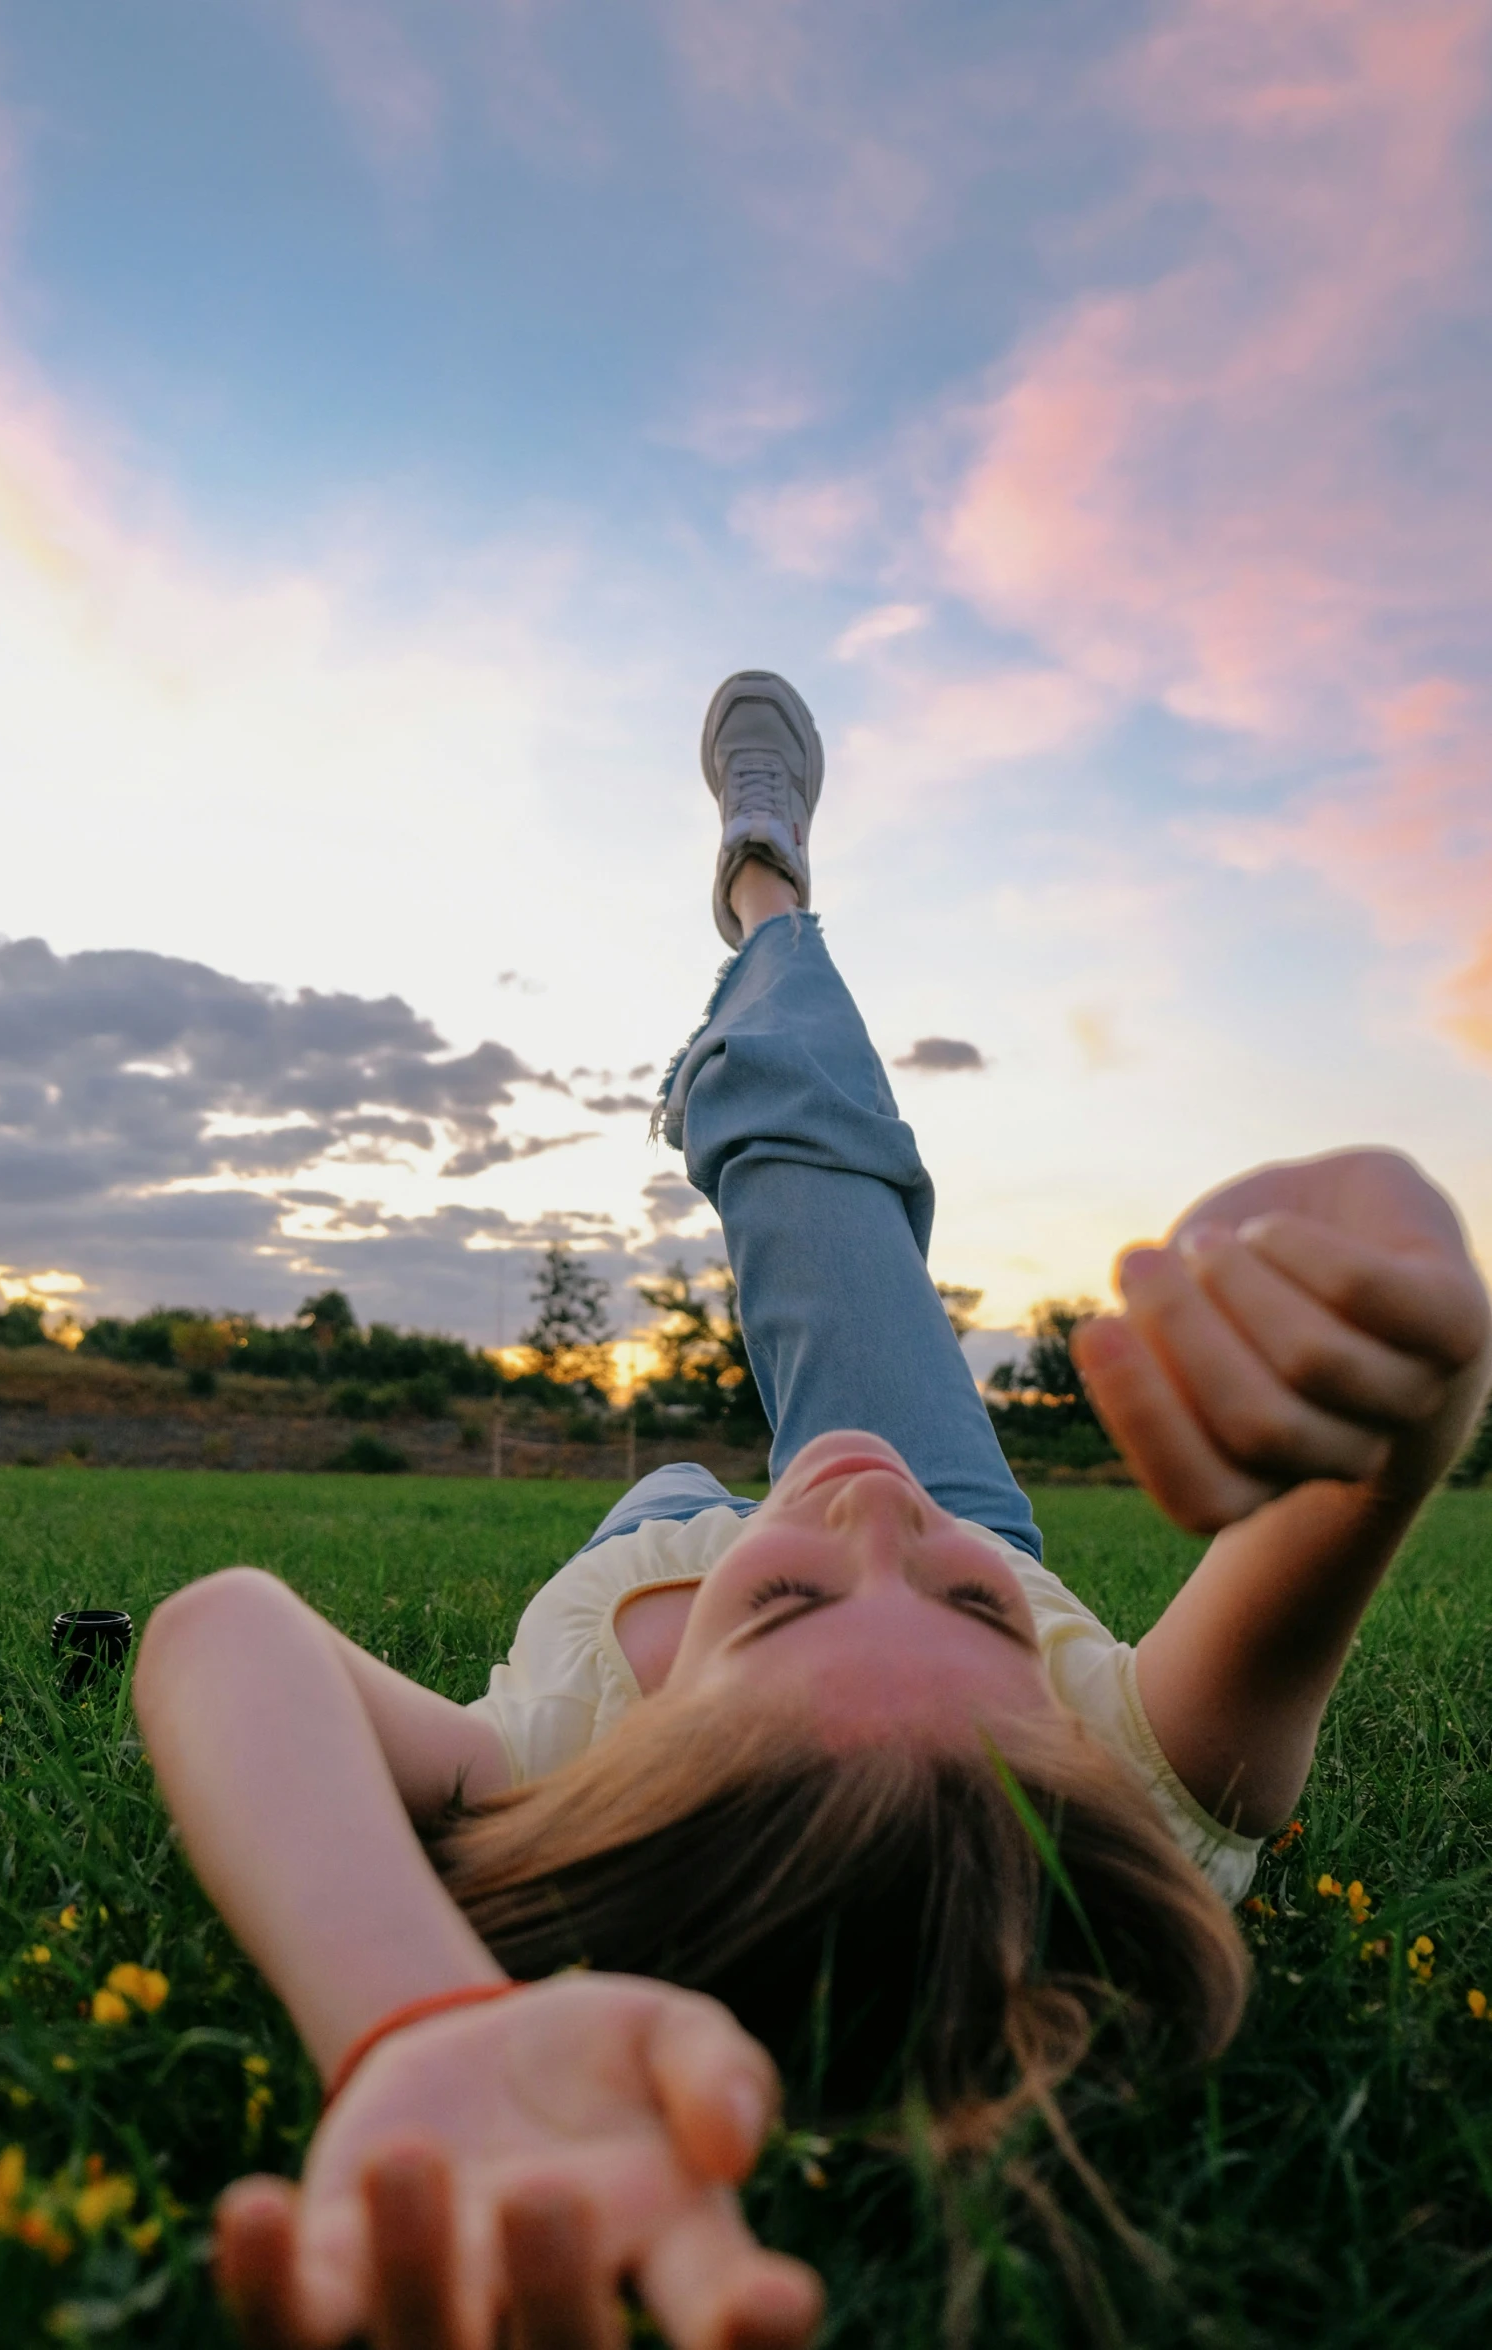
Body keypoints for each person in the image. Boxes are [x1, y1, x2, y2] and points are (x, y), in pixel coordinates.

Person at [135, 671, 1492, 2350]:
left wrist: (409, 2015)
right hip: (966, 1488)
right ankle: (764, 885)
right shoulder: (1140, 1766)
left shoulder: (548, 1762)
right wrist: (1403, 1313)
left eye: (788, 1611)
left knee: (692, 1505)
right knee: (805, 1166)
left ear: (638, 1757)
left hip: (640, 1545)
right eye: (976, 1615)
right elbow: (1378, 1455)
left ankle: (748, 1556)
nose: (860, 1529)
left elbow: (222, 1636)